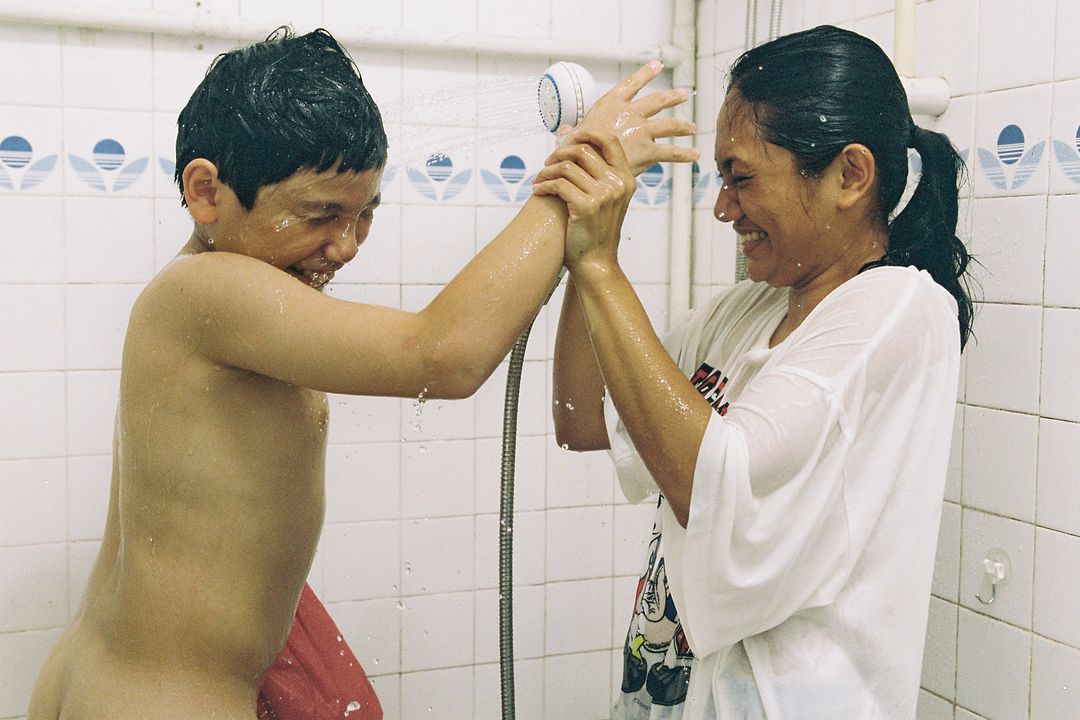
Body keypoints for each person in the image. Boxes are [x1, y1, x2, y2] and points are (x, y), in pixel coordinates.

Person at [26, 27, 697, 720]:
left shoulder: (226, 302)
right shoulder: (207, 292)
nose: (345, 246)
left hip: (116, 681)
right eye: (321, 215)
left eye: (365, 214)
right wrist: (575, 183)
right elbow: (443, 354)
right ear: (206, 193)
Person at [540, 24, 973, 720]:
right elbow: (582, 420)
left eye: (741, 179)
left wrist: (599, 267)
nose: (722, 209)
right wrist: (591, 253)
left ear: (849, 176)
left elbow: (716, 482)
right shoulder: (746, 310)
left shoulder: (900, 309)